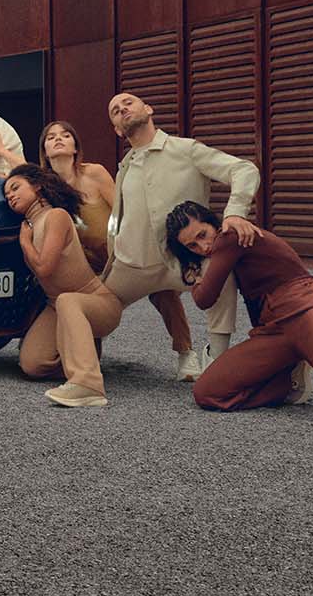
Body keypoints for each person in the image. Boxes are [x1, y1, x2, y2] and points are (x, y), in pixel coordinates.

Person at [166, 200, 313, 462]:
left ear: (213, 222)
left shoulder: (231, 235)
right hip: (272, 329)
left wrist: (194, 278)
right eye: (192, 246)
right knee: (207, 391)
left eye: (203, 235)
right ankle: (291, 382)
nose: (203, 247)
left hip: (303, 305)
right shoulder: (224, 244)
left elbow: (204, 298)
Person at [0, 118, 193, 358]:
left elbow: (123, 210)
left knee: (162, 288)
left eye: (65, 135)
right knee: (69, 302)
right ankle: (82, 345)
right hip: (90, 272)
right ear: (45, 151)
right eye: (51, 138)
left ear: (75, 147)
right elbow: (22, 174)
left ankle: (185, 353)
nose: (58, 139)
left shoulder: (94, 173)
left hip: (119, 259)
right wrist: (1, 151)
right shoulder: (45, 186)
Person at [101, 91, 260, 382]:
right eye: (115, 110)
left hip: (184, 263)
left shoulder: (186, 150)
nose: (122, 109)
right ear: (116, 129)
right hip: (132, 265)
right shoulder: (124, 166)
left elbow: (243, 169)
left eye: (128, 103)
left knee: (220, 272)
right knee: (96, 308)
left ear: (148, 108)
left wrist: (235, 211)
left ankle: (216, 362)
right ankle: (85, 362)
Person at [3, 164, 125, 409]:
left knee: (68, 299)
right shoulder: (30, 224)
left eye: (16, 188)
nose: (11, 196)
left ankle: (88, 385)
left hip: (97, 302)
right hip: (57, 305)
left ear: (37, 186)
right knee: (32, 364)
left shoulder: (56, 216)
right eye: (6, 195)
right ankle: (85, 353)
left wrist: (24, 242)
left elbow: (44, 268)